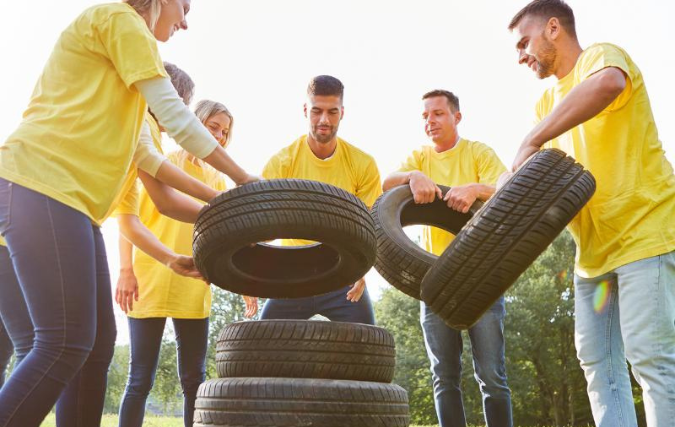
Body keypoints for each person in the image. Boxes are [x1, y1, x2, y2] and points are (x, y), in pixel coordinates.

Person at [0, 1, 256, 425]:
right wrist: (245, 181)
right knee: (62, 342)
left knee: (98, 345)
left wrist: (222, 201)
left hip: (71, 203)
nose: (186, 22)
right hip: (40, 184)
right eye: (184, 6)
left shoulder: (128, 86)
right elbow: (176, 116)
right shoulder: (121, 20)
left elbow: (150, 161)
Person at [507, 1, 675, 426]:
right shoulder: (546, 103)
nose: (520, 55)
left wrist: (532, 138)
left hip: (643, 232)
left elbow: (609, 85)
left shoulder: (601, 57)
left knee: (650, 359)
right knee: (599, 366)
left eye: (524, 42)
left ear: (552, 28)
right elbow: (537, 182)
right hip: (592, 256)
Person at [116, 99, 256, 427]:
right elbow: (128, 217)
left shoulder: (218, 180)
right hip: (149, 278)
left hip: (194, 281)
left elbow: (227, 235)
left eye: (224, 132)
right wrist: (125, 270)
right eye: (213, 128)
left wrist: (246, 279)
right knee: (140, 380)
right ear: (194, 124)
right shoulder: (160, 160)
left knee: (194, 379)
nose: (219, 137)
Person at [383, 90, 512, 427]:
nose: (430, 122)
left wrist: (474, 190)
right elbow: (386, 184)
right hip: (435, 279)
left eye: (438, 114)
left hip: (481, 276)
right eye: (425, 116)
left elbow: (507, 186)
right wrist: (413, 176)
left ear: (457, 116)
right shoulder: (419, 157)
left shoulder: (478, 152)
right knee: (443, 376)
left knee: (492, 377)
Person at [258, 75, 382, 324]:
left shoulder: (363, 164)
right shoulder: (281, 163)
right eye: (316, 111)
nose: (324, 120)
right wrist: (247, 276)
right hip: (292, 274)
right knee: (261, 342)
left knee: (367, 346)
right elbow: (262, 228)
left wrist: (362, 271)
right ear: (306, 110)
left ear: (342, 113)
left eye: (332, 112)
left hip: (342, 273)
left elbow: (371, 228)